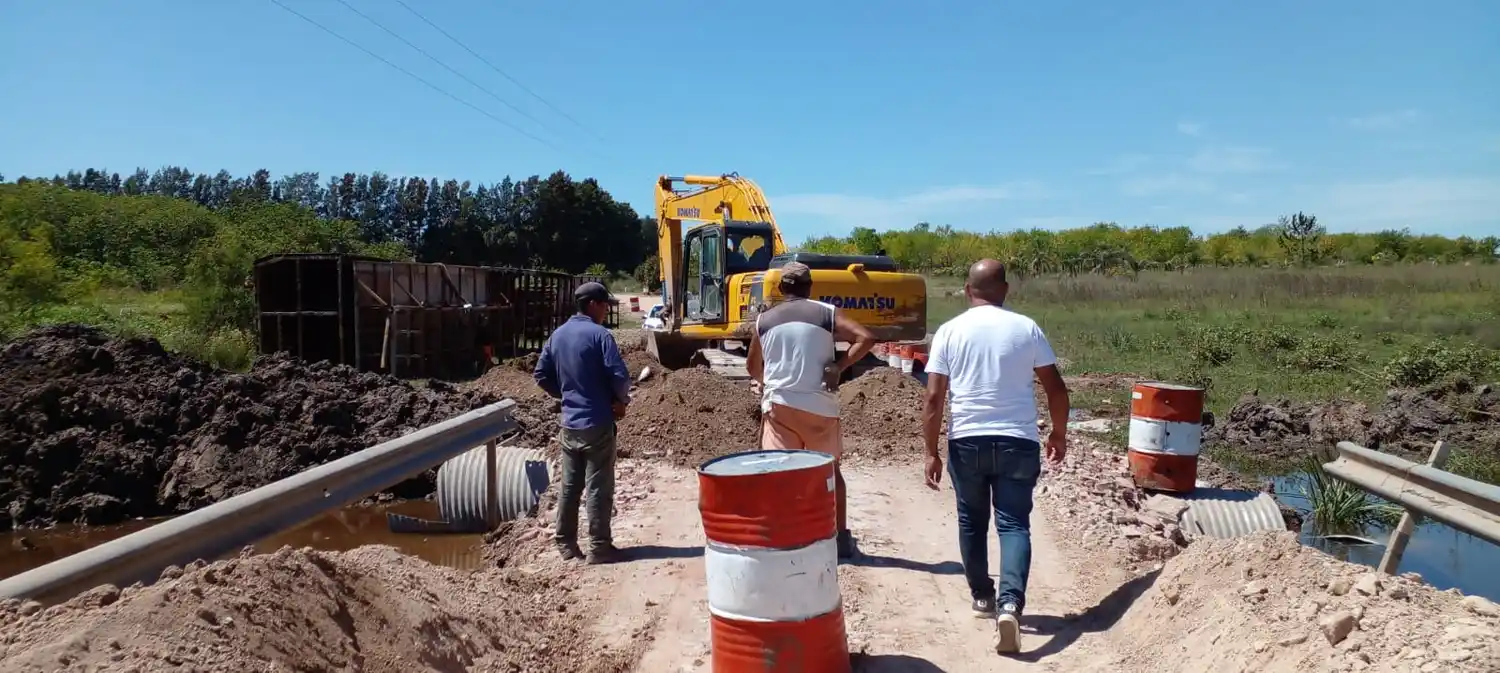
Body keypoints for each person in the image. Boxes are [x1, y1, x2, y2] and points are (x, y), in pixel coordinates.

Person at [920, 258, 1070, 655]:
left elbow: (934, 397)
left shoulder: (950, 332)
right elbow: (1057, 389)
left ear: (968, 291)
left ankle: (983, 597)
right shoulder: (1026, 328)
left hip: (967, 440)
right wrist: (1059, 433)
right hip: (1018, 441)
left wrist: (931, 452)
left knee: (972, 521)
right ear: (1004, 290)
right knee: (1014, 523)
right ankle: (1010, 605)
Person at [746, 261, 876, 560]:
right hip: (820, 407)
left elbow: (753, 367)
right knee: (831, 471)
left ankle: (784, 536)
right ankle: (841, 539)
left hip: (780, 407)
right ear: (810, 287)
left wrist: (771, 383)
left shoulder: (764, 320)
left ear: (781, 288)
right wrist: (839, 366)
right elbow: (866, 338)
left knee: (780, 472)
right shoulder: (825, 313)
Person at [534, 281, 632, 565]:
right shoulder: (600, 335)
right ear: (593, 304)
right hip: (598, 423)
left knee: (569, 487)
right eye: (604, 306)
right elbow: (620, 376)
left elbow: (540, 375)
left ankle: (565, 544)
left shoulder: (558, 336)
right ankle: (599, 548)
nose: (605, 312)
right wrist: (621, 402)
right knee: (599, 487)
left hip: (570, 424)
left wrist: (563, 394)